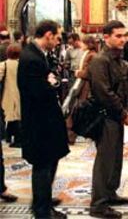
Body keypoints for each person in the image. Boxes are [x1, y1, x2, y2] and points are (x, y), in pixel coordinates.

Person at [17, 20, 69, 218]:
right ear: (48, 34)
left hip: (45, 120)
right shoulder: (32, 58)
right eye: (57, 37)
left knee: (48, 163)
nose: (58, 42)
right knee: (43, 165)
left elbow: (49, 80)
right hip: (40, 122)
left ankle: (44, 200)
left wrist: (50, 81)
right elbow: (39, 92)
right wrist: (51, 84)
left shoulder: (38, 54)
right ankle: (42, 210)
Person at [88, 21, 128, 219]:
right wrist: (123, 113)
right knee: (105, 160)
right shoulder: (100, 60)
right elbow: (103, 92)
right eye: (118, 36)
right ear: (106, 37)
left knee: (115, 157)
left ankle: (110, 193)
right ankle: (98, 203)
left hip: (116, 116)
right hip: (106, 116)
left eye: (124, 35)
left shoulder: (116, 58)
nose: (123, 39)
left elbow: (123, 86)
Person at [65, 36, 98, 145]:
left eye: (83, 43)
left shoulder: (92, 55)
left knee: (78, 111)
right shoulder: (87, 54)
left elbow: (89, 73)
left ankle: (72, 136)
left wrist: (78, 73)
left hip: (86, 87)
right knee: (77, 110)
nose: (81, 45)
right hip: (83, 85)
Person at [0, 44, 22, 147]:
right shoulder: (21, 64)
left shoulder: (3, 65)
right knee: (16, 116)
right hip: (19, 93)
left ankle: (9, 136)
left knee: (8, 116)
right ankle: (16, 138)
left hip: (7, 93)